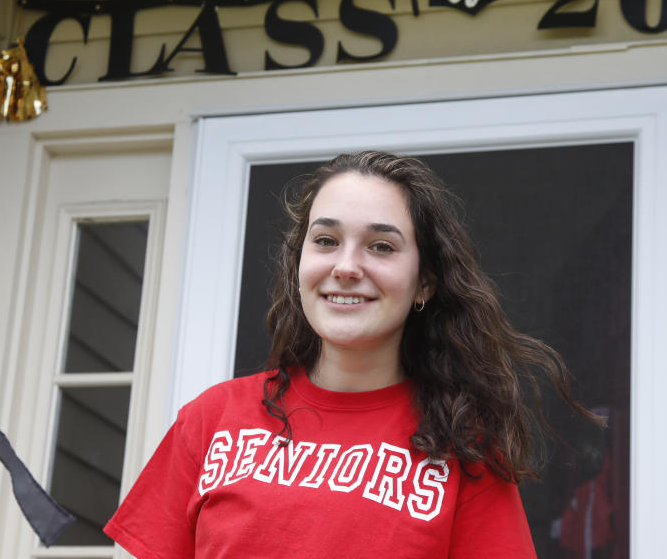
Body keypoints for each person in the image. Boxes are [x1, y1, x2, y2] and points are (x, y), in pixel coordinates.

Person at [105, 151, 598, 558]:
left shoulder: (463, 447)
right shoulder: (213, 419)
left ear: (424, 281)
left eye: (381, 247)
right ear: (300, 263)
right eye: (326, 241)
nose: (346, 266)